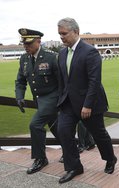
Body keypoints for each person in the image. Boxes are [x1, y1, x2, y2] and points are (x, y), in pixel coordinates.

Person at [56, 17, 117, 184]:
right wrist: (61, 101)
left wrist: (87, 105)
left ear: (76, 32)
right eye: (59, 34)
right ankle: (74, 166)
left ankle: (110, 158)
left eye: (64, 33)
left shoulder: (89, 51)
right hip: (68, 104)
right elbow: (62, 81)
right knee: (63, 132)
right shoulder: (61, 54)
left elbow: (94, 81)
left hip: (89, 104)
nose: (61, 37)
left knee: (99, 135)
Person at [15, 28, 62, 174]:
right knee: (56, 127)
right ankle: (70, 149)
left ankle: (40, 159)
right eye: (24, 43)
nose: (25, 46)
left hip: (52, 98)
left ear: (38, 41)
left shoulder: (52, 57)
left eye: (29, 43)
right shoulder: (24, 59)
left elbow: (62, 81)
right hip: (38, 100)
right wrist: (20, 96)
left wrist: (62, 101)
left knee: (35, 125)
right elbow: (21, 80)